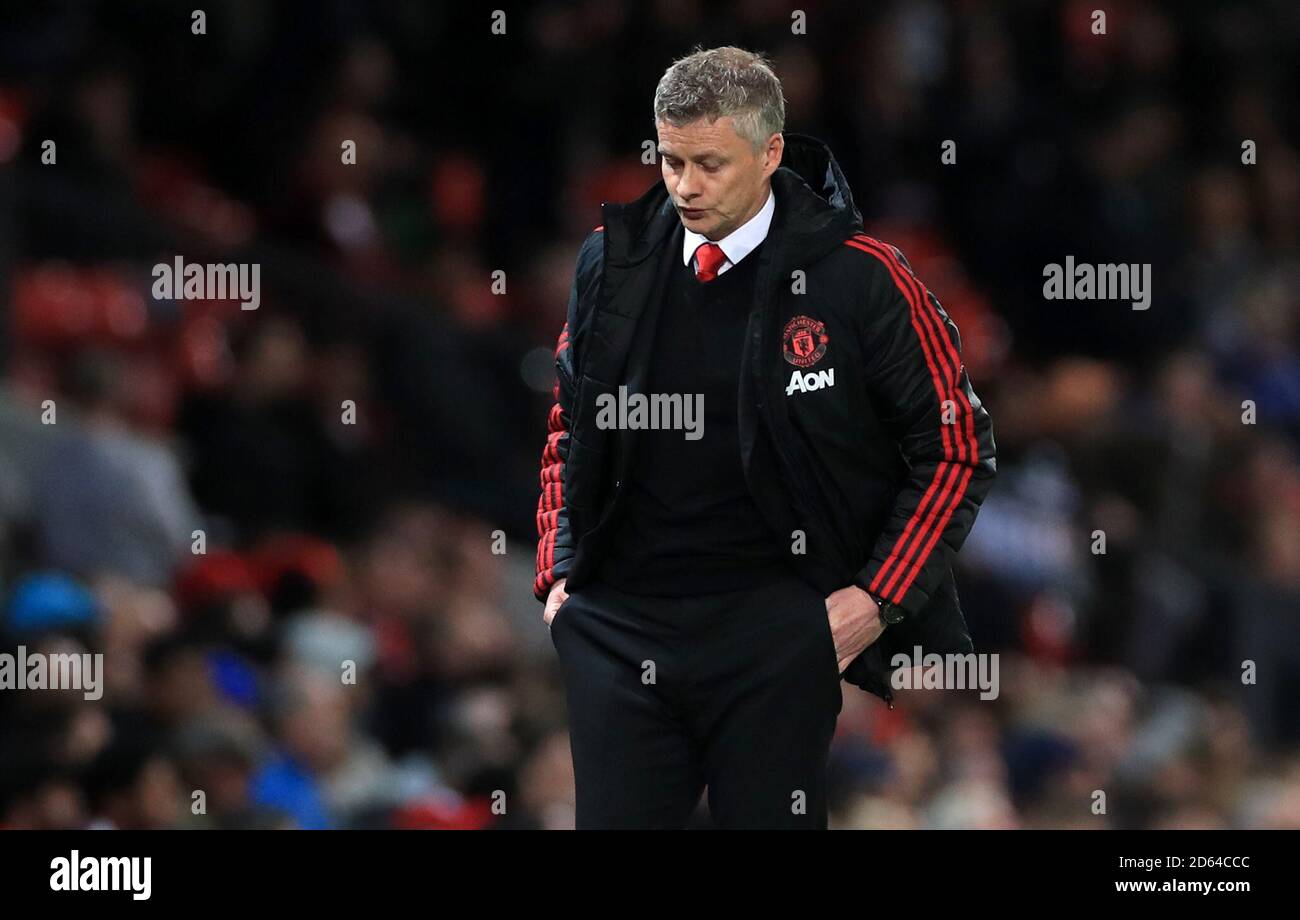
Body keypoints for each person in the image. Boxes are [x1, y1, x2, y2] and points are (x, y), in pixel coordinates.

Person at [533, 45, 996, 828]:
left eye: (709, 163)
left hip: (775, 630)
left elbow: (955, 448)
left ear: (772, 151)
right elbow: (567, 428)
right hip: (619, 625)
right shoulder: (611, 261)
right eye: (671, 160)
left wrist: (877, 600)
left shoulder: (864, 278)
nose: (684, 186)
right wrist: (559, 578)